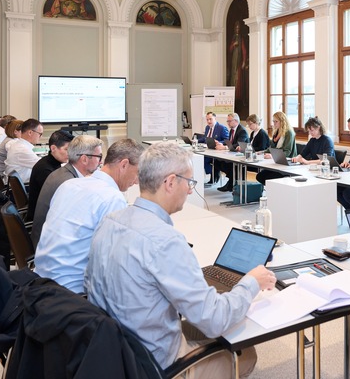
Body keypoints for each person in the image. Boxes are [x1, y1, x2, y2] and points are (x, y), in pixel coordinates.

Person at [85, 142, 276, 377]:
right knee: (245, 352)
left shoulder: (110, 221)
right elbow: (214, 320)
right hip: (154, 364)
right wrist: (251, 282)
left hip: (115, 349)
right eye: (189, 182)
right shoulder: (166, 241)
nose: (190, 191)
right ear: (170, 182)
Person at [34, 138, 144, 293]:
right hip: (72, 291)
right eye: (138, 172)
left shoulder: (69, 185)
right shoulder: (112, 198)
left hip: (40, 280)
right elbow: (112, 262)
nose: (137, 181)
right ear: (124, 165)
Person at [30, 135, 103, 247]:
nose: (100, 162)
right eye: (99, 157)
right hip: (50, 246)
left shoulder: (64, 173)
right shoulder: (69, 184)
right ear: (84, 159)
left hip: (46, 239)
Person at [26, 130, 74, 222]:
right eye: (66, 149)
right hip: (42, 220)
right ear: (53, 148)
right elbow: (59, 198)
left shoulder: (50, 163)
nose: (70, 153)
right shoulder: (45, 169)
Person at [256, 111, 296, 186]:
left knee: (268, 178)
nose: (274, 123)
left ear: (282, 121)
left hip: (286, 163)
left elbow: (288, 151)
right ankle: (271, 190)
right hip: (276, 162)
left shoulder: (289, 133)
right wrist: (261, 152)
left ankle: (274, 190)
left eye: (276, 121)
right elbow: (271, 148)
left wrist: (272, 156)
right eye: (273, 121)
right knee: (260, 176)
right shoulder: (276, 132)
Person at [215, 113, 249, 193]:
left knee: (230, 164)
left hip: (242, 156)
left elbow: (238, 144)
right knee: (217, 161)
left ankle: (231, 183)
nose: (228, 123)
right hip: (233, 154)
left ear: (236, 121)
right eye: (227, 121)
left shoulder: (242, 131)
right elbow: (231, 143)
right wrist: (222, 144)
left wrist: (225, 147)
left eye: (229, 121)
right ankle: (231, 181)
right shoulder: (232, 130)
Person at [4, 118, 43, 183]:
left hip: (17, 184)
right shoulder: (22, 149)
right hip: (22, 186)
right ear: (30, 132)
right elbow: (43, 166)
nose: (41, 137)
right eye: (40, 134)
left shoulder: (18, 144)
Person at [198, 112, 229, 185]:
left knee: (205, 159)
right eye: (207, 119)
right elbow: (205, 138)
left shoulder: (221, 128)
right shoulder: (207, 127)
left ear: (215, 118)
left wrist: (218, 142)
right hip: (209, 149)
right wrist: (196, 141)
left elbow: (227, 140)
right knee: (200, 157)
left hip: (218, 151)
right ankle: (213, 174)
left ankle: (215, 174)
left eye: (210, 119)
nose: (209, 121)